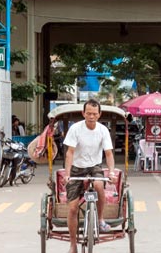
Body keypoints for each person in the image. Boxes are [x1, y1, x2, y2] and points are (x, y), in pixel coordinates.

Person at [63, 99, 116, 253]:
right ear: (83, 113)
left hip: (95, 167)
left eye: (94, 113)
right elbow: (70, 153)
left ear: (99, 115)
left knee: (99, 184)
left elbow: (108, 153)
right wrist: (67, 174)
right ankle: (73, 244)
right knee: (72, 208)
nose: (91, 116)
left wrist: (111, 172)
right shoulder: (75, 129)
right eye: (88, 113)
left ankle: (100, 219)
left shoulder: (103, 130)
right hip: (77, 168)